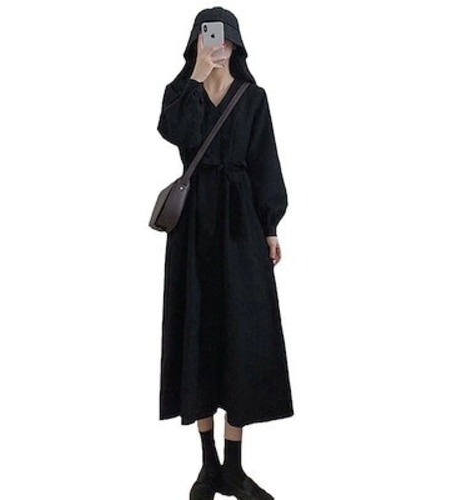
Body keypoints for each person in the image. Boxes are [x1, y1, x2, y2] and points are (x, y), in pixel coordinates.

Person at [156, 7, 294, 500]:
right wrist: (197, 76)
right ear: (196, 42)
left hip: (241, 227)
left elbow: (265, 162)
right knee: (197, 331)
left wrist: (270, 227)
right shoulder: (181, 93)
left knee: (242, 334)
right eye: (209, 38)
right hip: (193, 229)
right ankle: (208, 466)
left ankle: (234, 468)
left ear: (236, 44)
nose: (219, 47)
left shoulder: (253, 98)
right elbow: (173, 131)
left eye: (225, 39)